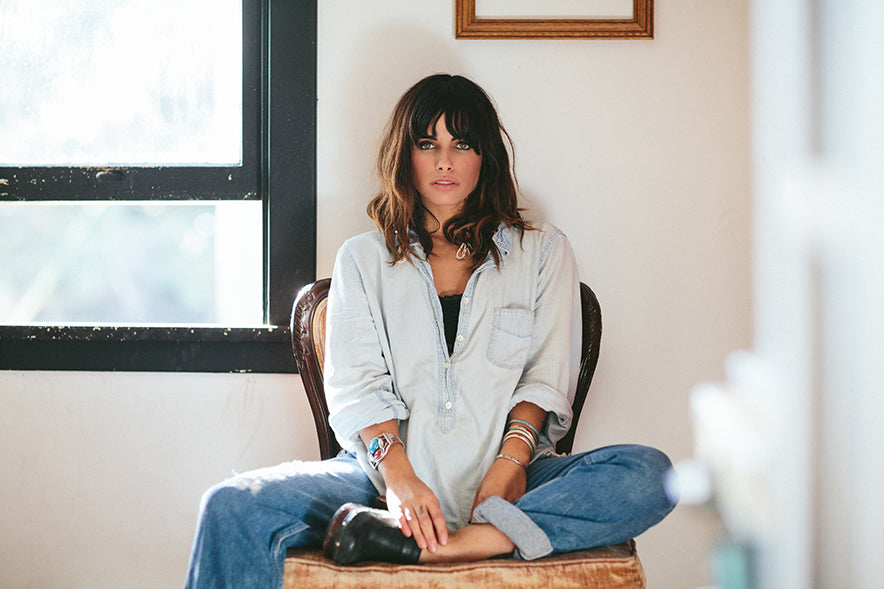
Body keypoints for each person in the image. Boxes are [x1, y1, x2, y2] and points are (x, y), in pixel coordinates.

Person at [184, 74, 676, 588]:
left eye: (462, 144)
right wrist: (399, 483)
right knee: (230, 506)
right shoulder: (363, 259)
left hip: (515, 482)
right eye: (428, 144)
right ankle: (415, 530)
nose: (445, 161)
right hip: (376, 486)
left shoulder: (543, 251)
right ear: (407, 156)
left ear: (485, 156)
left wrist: (510, 466)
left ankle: (455, 547)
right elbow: (358, 391)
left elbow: (546, 379)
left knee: (652, 473)